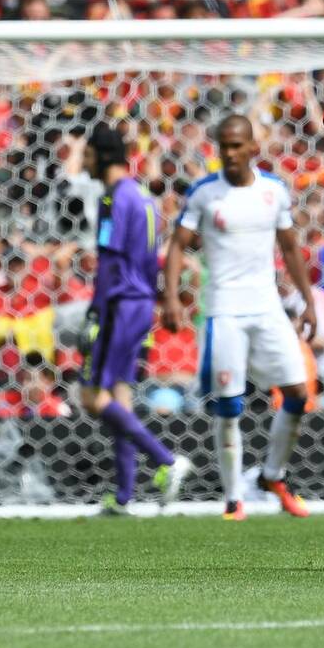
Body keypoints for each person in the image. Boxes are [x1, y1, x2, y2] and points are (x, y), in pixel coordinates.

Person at [162, 115, 317, 522]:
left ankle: (272, 476)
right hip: (224, 310)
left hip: (267, 306)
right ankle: (233, 499)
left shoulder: (273, 191)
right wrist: (173, 298)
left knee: (298, 392)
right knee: (229, 406)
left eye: (236, 146)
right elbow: (177, 246)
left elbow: (289, 247)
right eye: (223, 146)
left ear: (252, 148)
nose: (230, 154)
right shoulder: (204, 194)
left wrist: (309, 301)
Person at [79, 122, 194, 515]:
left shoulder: (112, 199)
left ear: (102, 155)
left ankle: (166, 460)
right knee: (121, 395)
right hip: (142, 302)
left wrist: (96, 307)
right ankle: (125, 495)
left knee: (93, 396)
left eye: (88, 154)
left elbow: (110, 260)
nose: (84, 161)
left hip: (120, 301)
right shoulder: (144, 197)